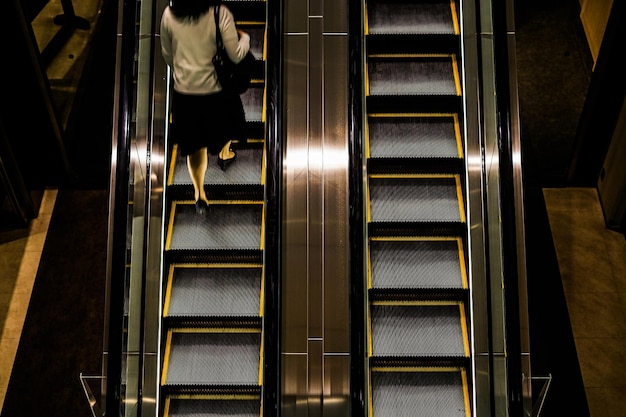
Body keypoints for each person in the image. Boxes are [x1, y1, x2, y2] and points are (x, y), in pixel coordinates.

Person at [160, 0, 250, 216]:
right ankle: (224, 153)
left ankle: (199, 192)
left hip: (185, 96)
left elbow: (167, 56)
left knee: (195, 147)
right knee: (229, 125)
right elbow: (236, 54)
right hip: (216, 92)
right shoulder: (220, 13)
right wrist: (245, 38)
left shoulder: (168, 15)